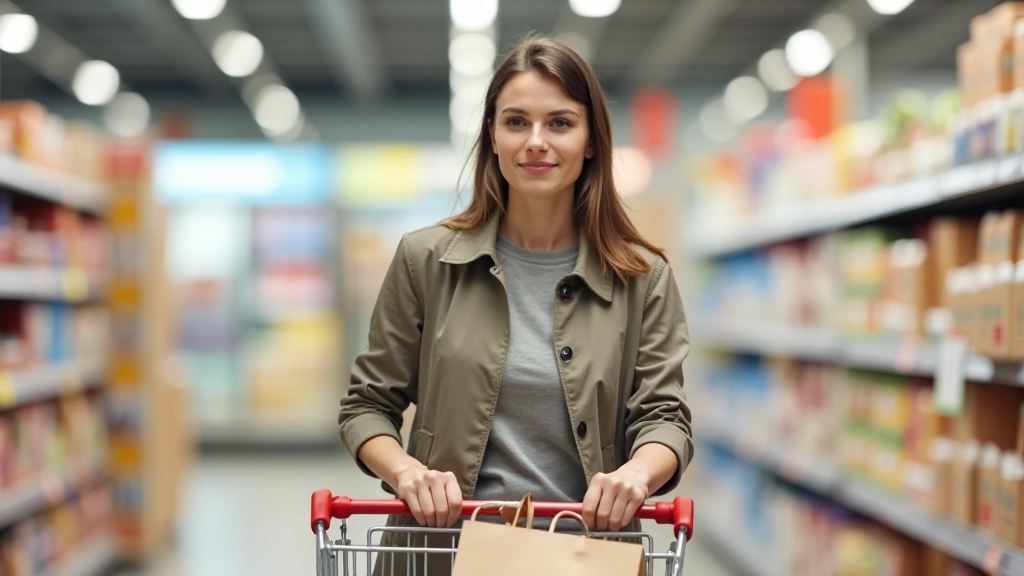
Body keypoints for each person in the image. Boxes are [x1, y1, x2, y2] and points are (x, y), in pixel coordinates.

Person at [338, 34, 692, 574]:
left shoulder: (643, 278)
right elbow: (366, 406)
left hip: (586, 557)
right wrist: (407, 472)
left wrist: (637, 475)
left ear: (591, 140)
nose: (536, 142)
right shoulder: (426, 260)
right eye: (516, 121)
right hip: (443, 553)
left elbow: (665, 417)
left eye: (560, 123)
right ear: (492, 136)